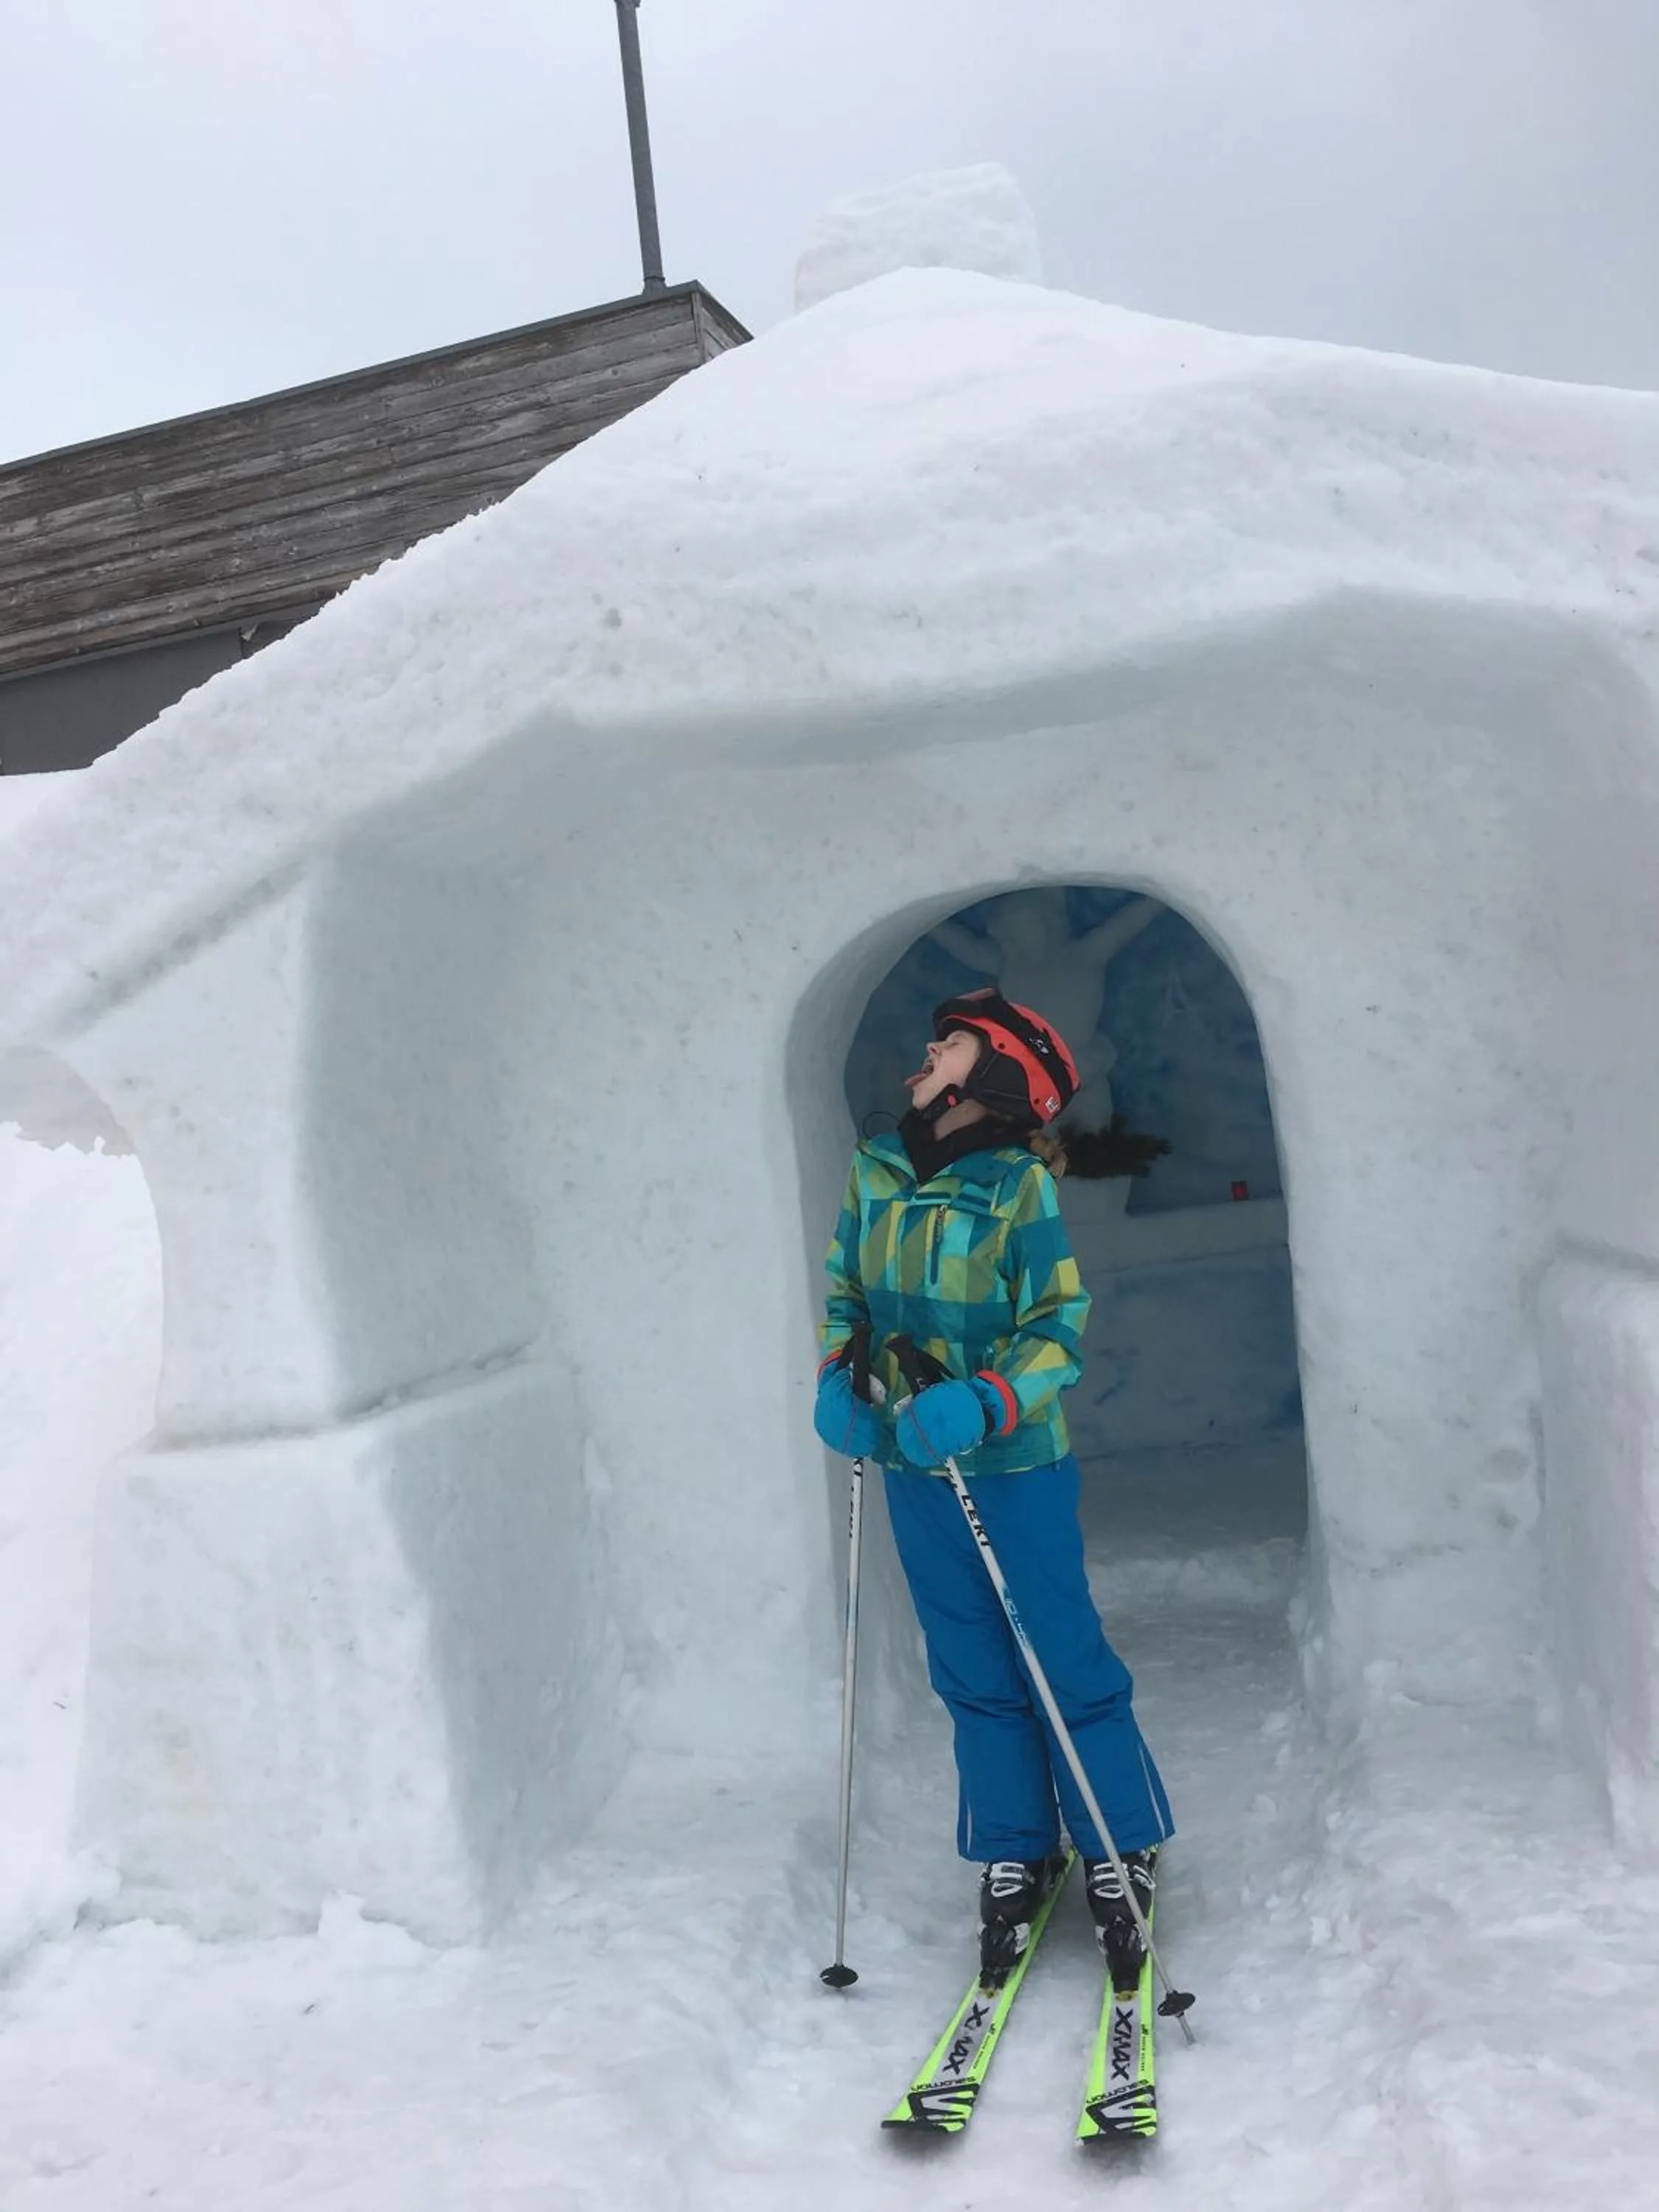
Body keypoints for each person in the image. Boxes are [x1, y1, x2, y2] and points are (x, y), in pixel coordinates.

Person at [814, 987, 1173, 1986]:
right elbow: (846, 1291)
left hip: (1010, 1467)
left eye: (943, 1046)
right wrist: (836, 1377)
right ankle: (1017, 1845)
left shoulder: (1018, 1188)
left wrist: (989, 1400)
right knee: (968, 1664)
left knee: (1057, 1655)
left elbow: (1056, 1329)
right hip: (910, 1465)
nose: (916, 1064)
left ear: (1000, 1071)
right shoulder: (877, 1167)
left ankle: (1117, 1842)